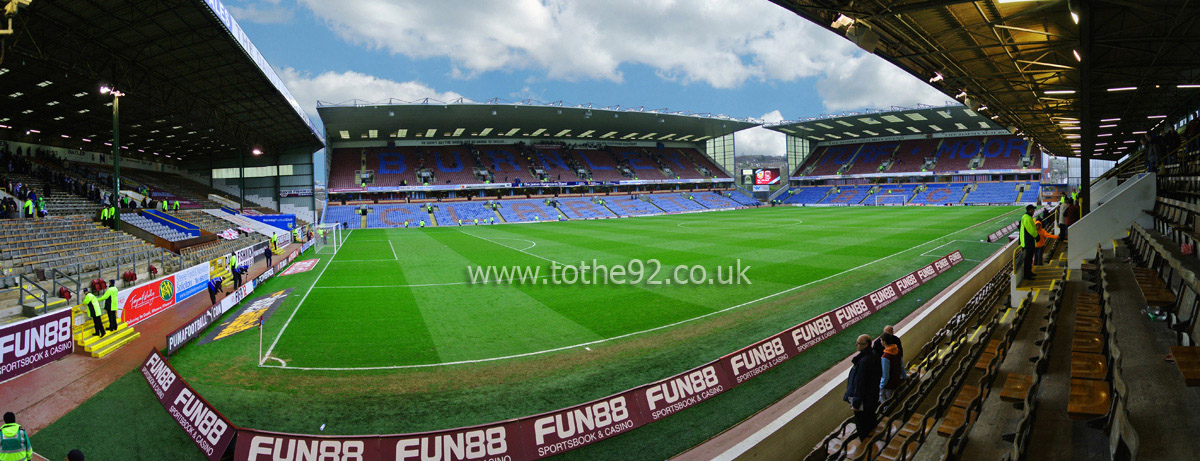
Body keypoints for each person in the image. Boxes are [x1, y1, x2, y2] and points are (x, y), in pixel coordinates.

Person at [844, 334, 881, 442]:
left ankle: (867, 448)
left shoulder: (864, 361)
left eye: (858, 343)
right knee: (871, 421)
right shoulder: (874, 355)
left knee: (863, 428)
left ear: (865, 345)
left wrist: (856, 404)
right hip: (872, 398)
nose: (856, 345)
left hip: (863, 403)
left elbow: (860, 385)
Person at [879, 335, 903, 403]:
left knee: (887, 404)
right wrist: (905, 377)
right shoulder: (897, 350)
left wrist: (881, 386)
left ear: (884, 342)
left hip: (888, 386)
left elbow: (886, 375)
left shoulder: (885, 356)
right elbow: (901, 366)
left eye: (881, 340)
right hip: (896, 381)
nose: (880, 342)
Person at [1020, 204, 1038, 279]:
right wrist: (1037, 236)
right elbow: (1031, 230)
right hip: (1027, 243)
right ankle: (1027, 275)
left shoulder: (1027, 217)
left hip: (1028, 242)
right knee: (1028, 259)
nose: (1034, 211)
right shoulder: (1027, 218)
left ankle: (1029, 272)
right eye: (1033, 209)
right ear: (1030, 210)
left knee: (1029, 259)